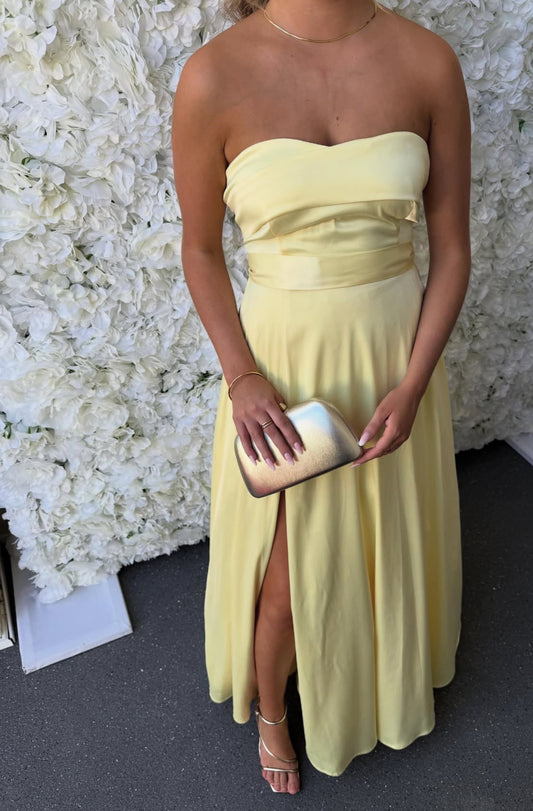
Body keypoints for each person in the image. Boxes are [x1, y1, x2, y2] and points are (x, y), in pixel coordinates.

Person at [171, 0, 471, 796]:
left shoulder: (426, 60)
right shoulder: (212, 75)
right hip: (279, 366)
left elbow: (451, 248)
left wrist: (414, 380)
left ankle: (378, 666)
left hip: (394, 358)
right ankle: (273, 710)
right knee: (286, 571)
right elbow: (200, 250)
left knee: (379, 534)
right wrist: (240, 376)